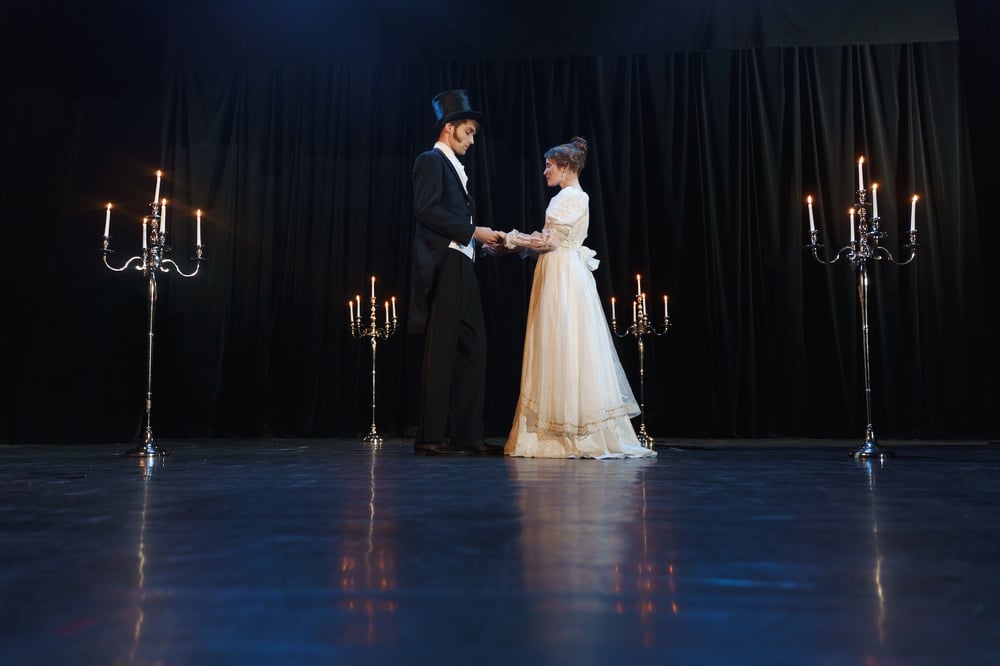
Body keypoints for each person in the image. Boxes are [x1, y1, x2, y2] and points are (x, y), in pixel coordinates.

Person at [503, 137, 656, 459]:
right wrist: (521, 245)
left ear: (567, 167)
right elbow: (552, 243)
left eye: (550, 166)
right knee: (570, 342)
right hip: (564, 269)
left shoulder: (566, 198)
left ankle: (563, 430)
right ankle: (566, 423)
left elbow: (548, 242)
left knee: (561, 341)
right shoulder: (577, 197)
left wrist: (510, 239)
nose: (545, 171)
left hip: (562, 275)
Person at [409, 89, 505, 456]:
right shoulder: (431, 161)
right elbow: (427, 210)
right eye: (469, 131)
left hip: (461, 259)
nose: (472, 139)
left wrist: (478, 243)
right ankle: (430, 436)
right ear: (449, 129)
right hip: (444, 263)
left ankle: (468, 434)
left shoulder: (453, 166)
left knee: (474, 344)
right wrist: (471, 231)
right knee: (443, 345)